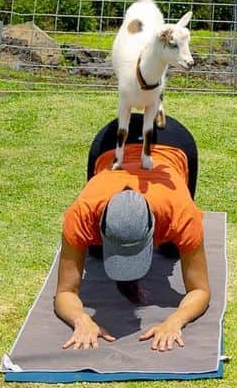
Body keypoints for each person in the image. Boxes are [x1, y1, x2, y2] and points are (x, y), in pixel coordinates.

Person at [55, 112, 209, 352]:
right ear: (101, 227)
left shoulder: (181, 213)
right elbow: (65, 291)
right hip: (112, 142)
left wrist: (175, 321)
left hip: (172, 141)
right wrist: (80, 319)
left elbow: (200, 289)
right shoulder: (81, 214)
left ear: (154, 230)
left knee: (171, 252)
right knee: (94, 254)